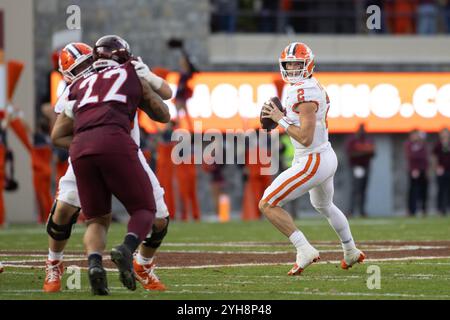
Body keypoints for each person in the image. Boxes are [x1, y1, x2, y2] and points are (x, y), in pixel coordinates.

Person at [49, 36, 171, 295]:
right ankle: (54, 263)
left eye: (87, 64)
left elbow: (57, 135)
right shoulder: (127, 73)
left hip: (93, 148)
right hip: (117, 146)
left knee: (153, 219)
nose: (83, 71)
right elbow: (164, 108)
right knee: (66, 210)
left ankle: (137, 265)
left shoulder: (80, 84)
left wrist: (87, 142)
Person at [259, 42, 365, 276]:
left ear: (308, 63)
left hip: (312, 159)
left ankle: (304, 249)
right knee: (324, 205)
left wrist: (280, 119)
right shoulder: (309, 86)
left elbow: (305, 138)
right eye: (289, 65)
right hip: (323, 155)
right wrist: (285, 117)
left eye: (298, 64)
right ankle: (350, 250)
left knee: (267, 204)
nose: (293, 69)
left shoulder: (303, 92)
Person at [345, 123, 375, 217]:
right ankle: (351, 211)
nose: (362, 131)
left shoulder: (368, 140)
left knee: (363, 190)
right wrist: (364, 152)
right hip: (355, 167)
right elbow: (350, 153)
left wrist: (362, 152)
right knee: (355, 189)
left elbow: (373, 153)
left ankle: (362, 211)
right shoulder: (352, 140)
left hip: (365, 166)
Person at [404, 129, 429, 216]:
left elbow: (424, 156)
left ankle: (423, 209)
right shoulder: (408, 144)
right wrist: (415, 168)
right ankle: (411, 210)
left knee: (423, 191)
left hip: (423, 170)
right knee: (413, 191)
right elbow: (412, 156)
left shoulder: (422, 144)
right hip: (414, 170)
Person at [433, 128, 450, 215]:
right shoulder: (438, 145)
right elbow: (434, 157)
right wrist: (437, 168)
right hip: (441, 171)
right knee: (441, 190)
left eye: (446, 133)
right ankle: (440, 209)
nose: (445, 135)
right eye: (443, 133)